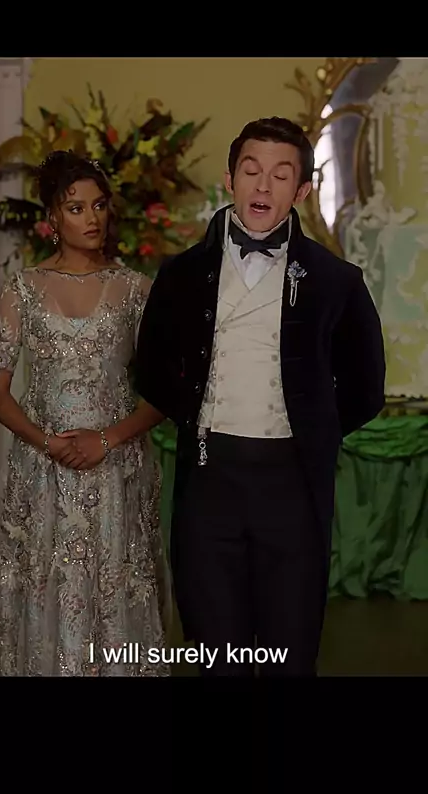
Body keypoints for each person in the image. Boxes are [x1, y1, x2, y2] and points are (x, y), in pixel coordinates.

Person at [135, 117, 386, 677]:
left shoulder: (337, 281)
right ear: (230, 179)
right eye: (251, 171)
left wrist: (312, 430)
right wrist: (196, 416)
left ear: (302, 190)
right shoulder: (181, 273)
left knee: (289, 652)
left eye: (280, 174)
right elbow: (149, 368)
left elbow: (366, 387)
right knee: (216, 652)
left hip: (292, 484)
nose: (263, 186)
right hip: (209, 479)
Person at [0, 150, 170, 676]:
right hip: (44, 473)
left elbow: (166, 394)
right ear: (52, 218)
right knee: (45, 586)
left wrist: (107, 439)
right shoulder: (22, 290)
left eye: (99, 205)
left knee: (115, 586)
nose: (92, 218)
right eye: (75, 208)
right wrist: (47, 441)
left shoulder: (136, 290)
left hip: (115, 469)